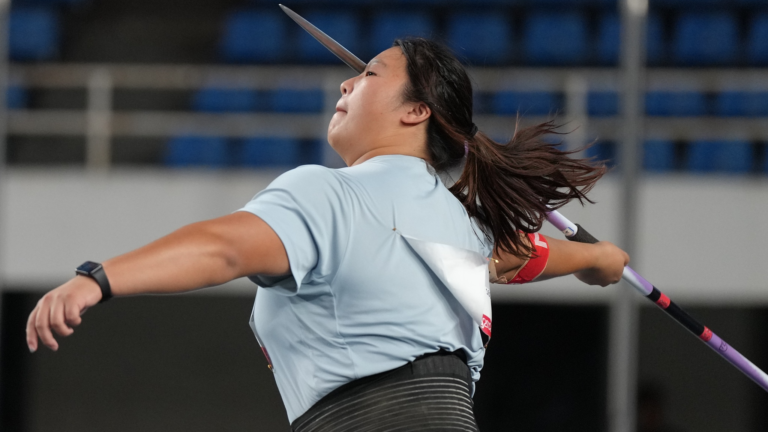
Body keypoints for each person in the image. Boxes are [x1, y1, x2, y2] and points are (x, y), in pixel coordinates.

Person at [26, 37, 629, 431]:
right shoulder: (462, 224)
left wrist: (99, 279)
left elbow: (226, 246)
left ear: (415, 111)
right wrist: (599, 258)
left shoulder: (330, 192)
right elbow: (523, 257)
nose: (345, 84)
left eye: (367, 73)